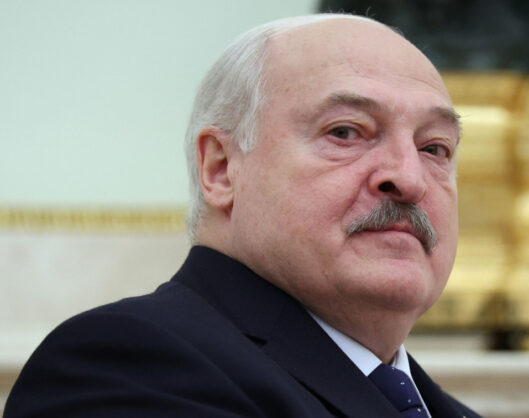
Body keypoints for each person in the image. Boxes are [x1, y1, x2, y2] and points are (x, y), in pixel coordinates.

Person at [5, 13, 481, 418]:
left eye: (434, 148)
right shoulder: (126, 364)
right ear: (221, 169)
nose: (409, 178)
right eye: (345, 132)